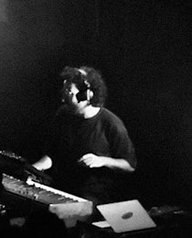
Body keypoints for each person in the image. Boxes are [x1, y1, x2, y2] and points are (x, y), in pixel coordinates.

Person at [28, 65, 136, 209]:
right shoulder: (63, 115)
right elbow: (51, 156)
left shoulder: (111, 123)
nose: (63, 96)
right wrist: (33, 169)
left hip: (92, 198)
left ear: (87, 95)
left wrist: (101, 160)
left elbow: (130, 165)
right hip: (61, 188)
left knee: (62, 218)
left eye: (69, 91)